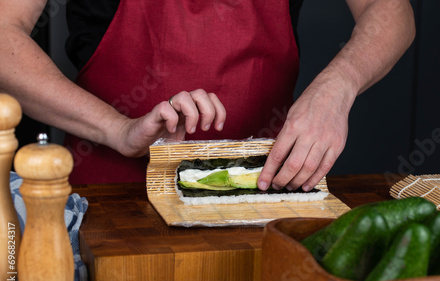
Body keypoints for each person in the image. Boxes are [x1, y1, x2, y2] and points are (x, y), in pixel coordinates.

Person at [0, 0, 415, 190]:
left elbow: (392, 11)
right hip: (112, 204)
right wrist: (118, 128)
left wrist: (335, 87)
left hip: (262, 199)